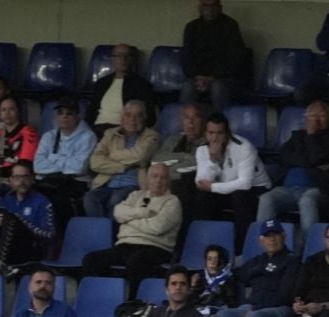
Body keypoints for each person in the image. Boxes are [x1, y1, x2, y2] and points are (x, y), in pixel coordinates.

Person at [80, 161, 179, 294]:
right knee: (91, 259)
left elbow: (158, 227)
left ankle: (133, 303)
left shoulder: (172, 201)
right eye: (155, 176)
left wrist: (129, 221)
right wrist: (143, 213)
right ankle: (102, 296)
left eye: (163, 177)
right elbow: (117, 213)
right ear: (148, 179)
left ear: (169, 181)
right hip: (125, 245)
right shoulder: (135, 195)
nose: (158, 180)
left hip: (156, 247)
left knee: (137, 261)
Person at [193, 111, 269, 242]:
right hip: (226, 188)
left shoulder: (244, 147)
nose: (215, 138)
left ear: (227, 132)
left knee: (239, 196)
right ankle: (207, 241)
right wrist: (213, 160)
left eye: (219, 133)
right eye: (211, 133)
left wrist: (213, 187)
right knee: (202, 198)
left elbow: (245, 184)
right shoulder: (202, 150)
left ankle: (242, 247)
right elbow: (201, 182)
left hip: (256, 188)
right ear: (205, 133)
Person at [83, 99, 158, 220]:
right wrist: (122, 167)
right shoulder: (110, 133)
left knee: (116, 201)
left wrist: (110, 156)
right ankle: (101, 232)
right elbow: (95, 161)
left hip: (134, 185)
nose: (132, 120)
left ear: (143, 119)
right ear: (122, 118)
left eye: (137, 116)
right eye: (128, 115)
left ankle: (108, 234)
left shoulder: (151, 136)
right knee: (90, 198)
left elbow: (140, 156)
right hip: (107, 183)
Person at [181, 0, 252, 111]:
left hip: (224, 78)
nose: (209, 9)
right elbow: (186, 57)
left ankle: (218, 123)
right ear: (199, 7)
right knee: (187, 87)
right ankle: (189, 125)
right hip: (197, 77)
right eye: (205, 5)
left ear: (220, 7)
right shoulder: (191, 27)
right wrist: (196, 76)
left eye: (213, 5)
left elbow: (235, 59)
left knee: (217, 87)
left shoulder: (230, 26)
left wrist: (213, 78)